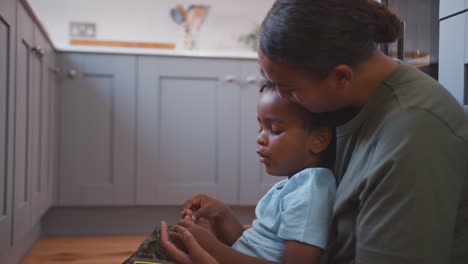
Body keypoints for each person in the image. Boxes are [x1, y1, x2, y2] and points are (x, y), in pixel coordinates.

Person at [174, 0, 468, 263]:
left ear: (340, 76)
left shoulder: (414, 137)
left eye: (289, 89)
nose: (281, 99)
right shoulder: (342, 103)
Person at [126, 84, 338, 264]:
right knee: (166, 239)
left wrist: (211, 248)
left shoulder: (312, 188)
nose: (261, 139)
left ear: (318, 139)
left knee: (159, 249)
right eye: (260, 129)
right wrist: (222, 214)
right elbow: (251, 246)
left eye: (275, 130)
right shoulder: (294, 185)